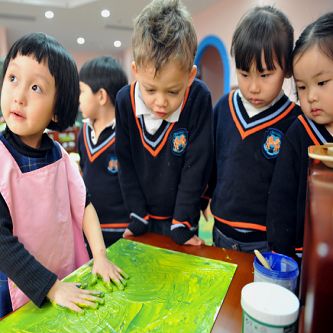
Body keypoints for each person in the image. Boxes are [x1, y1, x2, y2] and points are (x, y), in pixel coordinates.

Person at [0, 32, 126, 318]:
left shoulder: (61, 157)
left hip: (67, 277)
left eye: (35, 88)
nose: (18, 96)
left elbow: (85, 205)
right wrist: (51, 288)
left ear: (57, 111)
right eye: (12, 79)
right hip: (18, 288)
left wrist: (100, 256)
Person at [115, 0, 213, 245]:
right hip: (142, 220)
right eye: (150, 90)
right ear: (135, 70)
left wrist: (182, 222)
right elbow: (125, 162)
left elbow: (197, 164)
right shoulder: (124, 101)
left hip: (182, 222)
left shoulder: (199, 98)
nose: (160, 103)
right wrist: (137, 215)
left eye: (172, 92)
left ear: (190, 76)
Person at [209, 6, 301, 252]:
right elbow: (210, 161)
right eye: (244, 73)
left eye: (265, 75)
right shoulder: (223, 107)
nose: (253, 87)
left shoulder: (295, 121)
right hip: (220, 232)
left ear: (288, 69)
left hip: (266, 242)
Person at [267, 12, 333, 257]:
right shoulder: (298, 133)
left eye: (322, 82)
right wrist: (282, 253)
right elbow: (281, 202)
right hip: (302, 257)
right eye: (302, 87)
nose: (311, 96)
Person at [78, 56, 129, 249]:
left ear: (101, 96)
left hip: (121, 230)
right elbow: (84, 169)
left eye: (82, 91)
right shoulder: (83, 132)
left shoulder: (126, 135)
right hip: (90, 229)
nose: (79, 99)